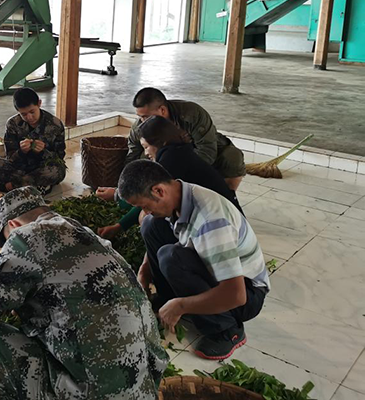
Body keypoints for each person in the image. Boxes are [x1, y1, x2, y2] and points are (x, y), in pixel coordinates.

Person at [0, 186, 168, 400]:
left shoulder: (26, 236)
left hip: (94, 394)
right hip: (144, 385)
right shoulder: (85, 233)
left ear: (13, 225)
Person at [118, 160, 269, 361]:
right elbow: (157, 227)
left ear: (159, 191)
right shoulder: (180, 195)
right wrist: (145, 269)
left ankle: (226, 330)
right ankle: (167, 299)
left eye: (144, 206)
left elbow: (236, 295)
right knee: (150, 225)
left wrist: (181, 306)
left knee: (171, 258)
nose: (145, 211)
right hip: (218, 272)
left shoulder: (211, 222)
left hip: (247, 293)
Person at [97, 116, 242, 240]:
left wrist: (119, 226)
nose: (145, 153)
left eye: (146, 147)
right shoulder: (179, 151)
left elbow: (147, 199)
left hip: (222, 224)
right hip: (228, 216)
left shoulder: (170, 162)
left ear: (162, 142)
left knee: (147, 220)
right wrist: (118, 196)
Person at [127, 87, 246, 190]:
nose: (143, 121)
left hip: (194, 154)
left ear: (162, 110)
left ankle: (227, 197)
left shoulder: (192, 114)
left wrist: (184, 173)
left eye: (146, 117)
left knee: (232, 156)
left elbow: (207, 150)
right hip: (164, 158)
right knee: (143, 158)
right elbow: (132, 155)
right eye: (140, 117)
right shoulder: (139, 127)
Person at [0, 87, 66, 194]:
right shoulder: (13, 124)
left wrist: (42, 152)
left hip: (41, 168)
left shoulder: (55, 124)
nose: (29, 117)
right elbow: (10, 158)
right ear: (18, 111)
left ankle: (7, 186)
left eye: (32, 112)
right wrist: (21, 152)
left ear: (39, 103)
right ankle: (33, 185)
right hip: (20, 168)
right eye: (24, 114)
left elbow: (59, 157)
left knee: (56, 171)